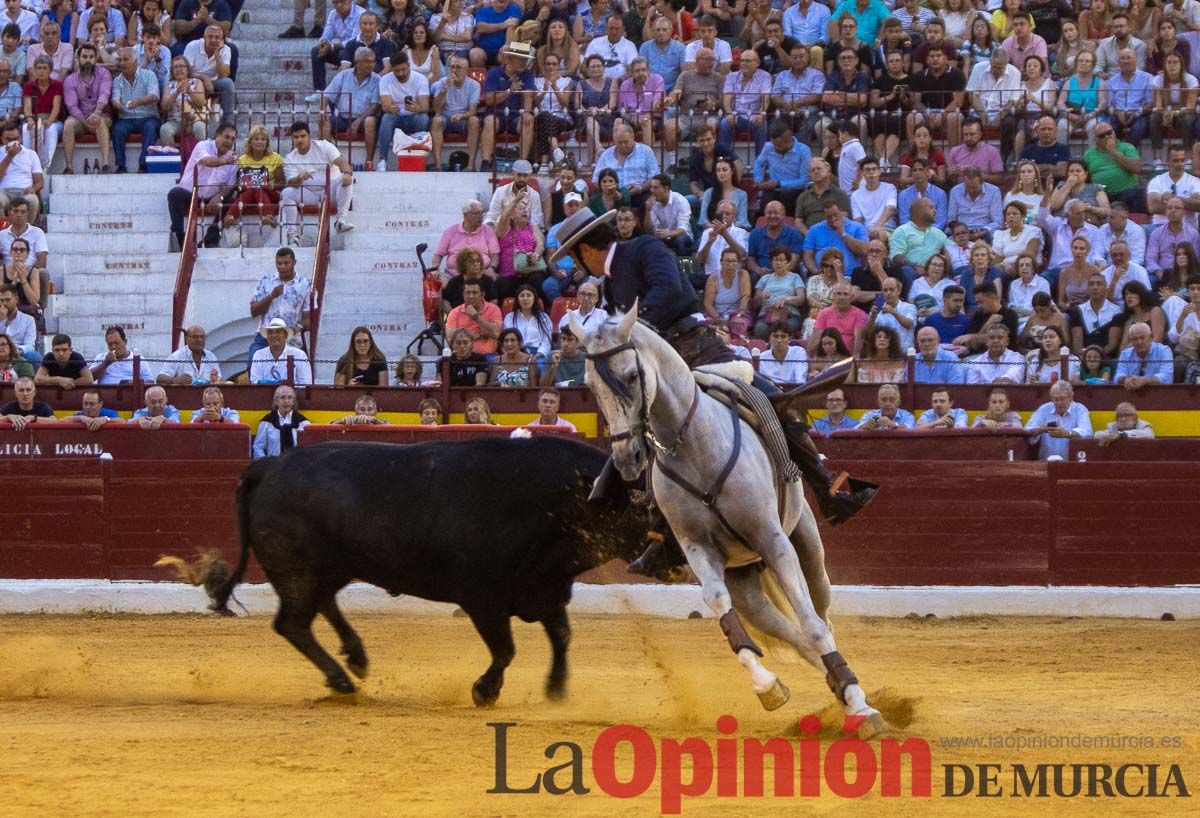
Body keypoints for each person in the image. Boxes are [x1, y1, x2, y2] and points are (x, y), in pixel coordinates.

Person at [550, 205, 877, 525]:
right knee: (633, 427)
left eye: (572, 256)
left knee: (770, 398)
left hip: (695, 348)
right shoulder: (608, 285)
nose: (574, 264)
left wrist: (635, 329)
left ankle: (827, 490)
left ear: (584, 250)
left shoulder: (643, 248)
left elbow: (669, 290)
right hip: (657, 367)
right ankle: (650, 524)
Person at [165, 122, 237, 251]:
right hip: (189, 193)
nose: (229, 141)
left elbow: (230, 185)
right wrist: (225, 161)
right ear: (217, 135)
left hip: (211, 198)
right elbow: (207, 161)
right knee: (174, 194)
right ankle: (180, 237)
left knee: (230, 201)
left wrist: (219, 197)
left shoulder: (233, 159)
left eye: (232, 139)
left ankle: (210, 239)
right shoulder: (203, 145)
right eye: (226, 137)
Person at [280, 119, 355, 242]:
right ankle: (292, 235)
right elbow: (290, 183)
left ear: (309, 136)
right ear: (292, 139)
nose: (299, 140)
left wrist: (347, 173)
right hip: (309, 193)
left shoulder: (324, 146)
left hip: (330, 190)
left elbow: (342, 161)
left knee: (346, 179)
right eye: (296, 137)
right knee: (287, 193)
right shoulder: (290, 158)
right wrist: (299, 177)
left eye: (303, 136)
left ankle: (340, 221)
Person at [248, 247, 310, 365]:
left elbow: (308, 319)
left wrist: (297, 328)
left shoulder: (305, 284)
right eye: (279, 263)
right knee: (253, 362)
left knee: (296, 369)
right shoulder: (265, 281)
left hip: (290, 336)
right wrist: (271, 296)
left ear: (294, 262)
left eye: (286, 263)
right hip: (266, 335)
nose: (282, 267)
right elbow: (254, 311)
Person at [61, 42, 113, 175]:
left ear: (96, 59)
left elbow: (104, 94)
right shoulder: (70, 80)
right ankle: (69, 166)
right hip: (80, 117)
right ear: (78, 59)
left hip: (101, 113)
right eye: (84, 56)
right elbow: (72, 106)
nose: (88, 60)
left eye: (91, 57)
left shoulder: (104, 73)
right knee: (68, 124)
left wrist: (96, 113)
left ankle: (106, 163)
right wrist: (86, 122)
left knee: (100, 121)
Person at [110, 47, 160, 174]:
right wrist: (117, 104)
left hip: (148, 116)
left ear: (136, 61)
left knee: (150, 127)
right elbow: (115, 98)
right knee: (117, 129)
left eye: (126, 59)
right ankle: (121, 165)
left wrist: (138, 102)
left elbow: (154, 95)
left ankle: (143, 164)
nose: (122, 63)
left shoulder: (149, 75)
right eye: (120, 60)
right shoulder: (117, 80)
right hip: (126, 118)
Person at [1084, 120, 1145, 213]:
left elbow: (1137, 168)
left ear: (1114, 132)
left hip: (1126, 192)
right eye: (1102, 136)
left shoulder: (1127, 147)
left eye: (1109, 133)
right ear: (1096, 139)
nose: (1107, 136)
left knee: (1139, 193)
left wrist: (1114, 152)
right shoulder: (1089, 155)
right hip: (1101, 195)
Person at [1025, 380, 1092, 460]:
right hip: (1046, 463)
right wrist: (1041, 429)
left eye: (1062, 399)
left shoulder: (1080, 409)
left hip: (1072, 464)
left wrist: (1067, 433)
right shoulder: (1044, 409)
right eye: (1056, 399)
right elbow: (1027, 430)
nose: (1059, 403)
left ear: (1071, 397)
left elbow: (1087, 432)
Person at [1069, 272, 1123, 356]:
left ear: (1106, 289)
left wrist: (1096, 357)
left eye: (1099, 284)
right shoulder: (1078, 310)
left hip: (1107, 358)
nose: (1095, 287)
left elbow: (1112, 344)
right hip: (1084, 358)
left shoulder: (1116, 311)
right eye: (1091, 284)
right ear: (1087, 290)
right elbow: (1077, 344)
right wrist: (1088, 357)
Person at [445, 279, 502, 355]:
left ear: (482, 295)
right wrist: (479, 335)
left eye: (475, 293)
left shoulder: (494, 309)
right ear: (463, 295)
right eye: (468, 293)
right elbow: (450, 339)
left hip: (488, 356)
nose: (471, 296)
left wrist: (476, 316)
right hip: (463, 357)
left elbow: (495, 334)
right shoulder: (455, 312)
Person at [250, 318, 313, 385]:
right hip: (264, 394)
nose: (274, 335)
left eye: (278, 332)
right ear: (267, 336)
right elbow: (255, 382)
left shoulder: (300, 355)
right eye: (270, 332)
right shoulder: (258, 354)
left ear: (285, 336)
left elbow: (306, 383)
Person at [253, 385, 310, 458]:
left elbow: (308, 449)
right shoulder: (267, 422)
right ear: (276, 401)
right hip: (274, 466)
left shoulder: (303, 423)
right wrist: (265, 465)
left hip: (296, 466)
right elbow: (258, 447)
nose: (286, 401)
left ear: (293, 401)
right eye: (282, 397)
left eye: (289, 397)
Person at [503, 284, 553, 358]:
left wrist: (537, 355)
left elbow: (546, 342)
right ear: (518, 299)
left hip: (537, 354)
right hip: (516, 354)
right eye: (522, 296)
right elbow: (507, 340)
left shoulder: (544, 317)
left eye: (529, 295)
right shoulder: (510, 317)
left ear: (534, 298)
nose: (525, 299)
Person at [991, 202, 1041, 274]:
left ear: (1023, 216)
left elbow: (1029, 257)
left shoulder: (1033, 232)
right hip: (1005, 271)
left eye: (1015, 214)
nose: (1011, 216)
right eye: (1008, 214)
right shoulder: (1000, 235)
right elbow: (997, 260)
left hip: (1027, 269)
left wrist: (1007, 264)